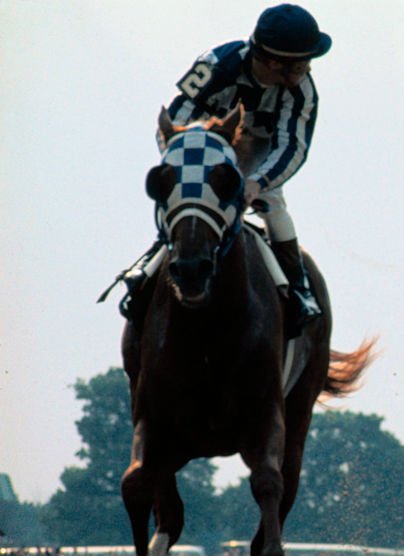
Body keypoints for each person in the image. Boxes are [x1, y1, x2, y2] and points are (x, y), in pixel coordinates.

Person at [119, 4, 330, 333]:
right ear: (276, 62)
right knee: (185, 204)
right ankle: (146, 271)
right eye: (303, 63)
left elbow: (293, 148)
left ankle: (298, 288)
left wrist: (257, 184)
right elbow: (176, 116)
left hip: (260, 155)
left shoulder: (302, 92)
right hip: (199, 148)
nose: (308, 69)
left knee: (272, 206)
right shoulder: (215, 64)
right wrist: (187, 166)